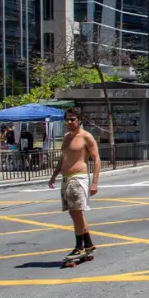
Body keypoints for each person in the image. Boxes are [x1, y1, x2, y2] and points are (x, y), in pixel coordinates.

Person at [48, 110, 101, 260]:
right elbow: (63, 159)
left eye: (72, 120)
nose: (69, 123)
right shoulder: (67, 137)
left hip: (78, 178)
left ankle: (79, 247)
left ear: (79, 120)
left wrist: (95, 182)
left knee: (76, 211)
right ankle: (88, 243)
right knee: (74, 213)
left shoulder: (86, 137)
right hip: (66, 178)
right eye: (67, 120)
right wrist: (54, 175)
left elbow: (96, 160)